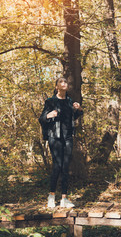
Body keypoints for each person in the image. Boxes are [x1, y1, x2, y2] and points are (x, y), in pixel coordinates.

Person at [39, 77, 83, 208]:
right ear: (57, 86)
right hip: (55, 137)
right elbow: (41, 118)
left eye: (65, 82)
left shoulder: (69, 101)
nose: (64, 84)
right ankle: (51, 196)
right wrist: (48, 115)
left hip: (68, 137)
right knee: (57, 165)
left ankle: (64, 199)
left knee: (65, 167)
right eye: (61, 82)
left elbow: (72, 118)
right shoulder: (50, 101)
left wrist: (78, 110)